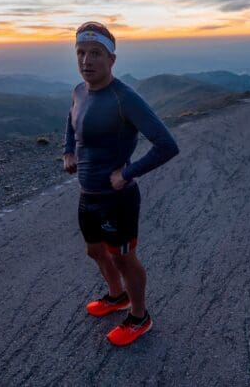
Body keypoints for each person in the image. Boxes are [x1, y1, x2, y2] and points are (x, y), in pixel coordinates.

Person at [63, 21, 179, 346]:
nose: (87, 60)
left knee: (123, 258)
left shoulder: (124, 99)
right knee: (94, 250)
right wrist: (68, 152)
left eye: (96, 53)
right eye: (81, 52)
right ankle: (117, 297)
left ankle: (140, 316)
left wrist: (128, 173)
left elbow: (167, 145)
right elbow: (71, 122)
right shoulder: (78, 92)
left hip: (118, 199)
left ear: (112, 59)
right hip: (88, 194)